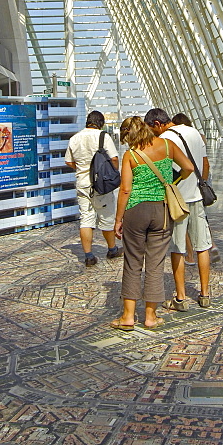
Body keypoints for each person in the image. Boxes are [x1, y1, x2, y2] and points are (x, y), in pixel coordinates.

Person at [112, 116, 193, 331]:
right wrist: (173, 182)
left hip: (135, 210)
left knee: (132, 262)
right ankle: (151, 317)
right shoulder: (167, 145)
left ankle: (128, 316)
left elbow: (126, 190)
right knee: (156, 263)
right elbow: (189, 168)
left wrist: (118, 219)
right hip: (162, 209)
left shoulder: (130, 155)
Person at [145, 107, 213, 310]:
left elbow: (164, 172)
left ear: (157, 124)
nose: (152, 134)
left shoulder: (165, 139)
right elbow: (205, 164)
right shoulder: (194, 132)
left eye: (152, 129)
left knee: (178, 249)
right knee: (203, 246)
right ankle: (205, 294)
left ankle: (181, 298)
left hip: (177, 201)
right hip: (197, 197)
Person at [65, 110, 122, 266]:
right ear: (100, 123)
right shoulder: (103, 136)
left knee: (86, 219)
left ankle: (89, 256)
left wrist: (82, 168)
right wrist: (113, 171)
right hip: (101, 184)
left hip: (82, 184)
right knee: (107, 217)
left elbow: (69, 162)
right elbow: (114, 158)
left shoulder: (74, 138)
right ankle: (112, 249)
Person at [171, 113, 220, 265]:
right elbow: (206, 164)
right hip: (198, 187)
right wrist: (203, 182)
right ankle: (210, 244)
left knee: (182, 221)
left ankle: (189, 254)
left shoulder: (171, 139)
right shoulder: (198, 136)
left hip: (181, 187)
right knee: (201, 219)